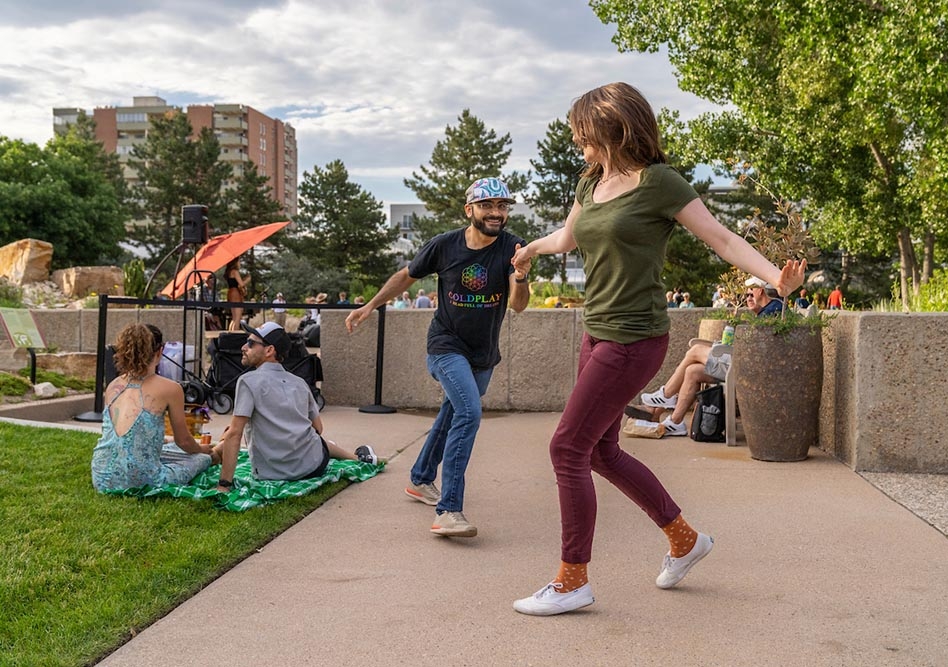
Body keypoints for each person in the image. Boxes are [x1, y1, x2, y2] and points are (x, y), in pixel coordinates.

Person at [509, 82, 805, 616]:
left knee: (566, 449)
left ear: (612, 127)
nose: (579, 143)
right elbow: (567, 239)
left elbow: (721, 238)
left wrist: (773, 278)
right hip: (596, 332)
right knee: (598, 451)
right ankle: (685, 540)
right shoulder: (590, 184)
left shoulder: (660, 183)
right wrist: (529, 248)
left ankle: (572, 580)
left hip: (634, 338)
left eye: (584, 134)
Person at [346, 176, 531, 538]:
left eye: (502, 206)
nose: (496, 213)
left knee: (451, 413)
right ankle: (448, 510)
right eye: (488, 206)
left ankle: (419, 479)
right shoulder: (444, 245)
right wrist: (369, 306)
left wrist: (521, 276)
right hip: (445, 346)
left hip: (483, 353)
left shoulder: (513, 246)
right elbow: (406, 276)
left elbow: (518, 306)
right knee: (468, 412)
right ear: (470, 210)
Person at [214, 321, 377, 492]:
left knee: (311, 440)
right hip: (312, 467)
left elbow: (235, 434)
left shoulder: (248, 382)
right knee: (316, 440)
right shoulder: (300, 383)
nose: (243, 347)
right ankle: (358, 458)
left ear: (269, 350)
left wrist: (224, 484)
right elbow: (318, 429)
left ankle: (356, 457)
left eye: (250, 343)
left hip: (270, 472)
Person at [637, 280, 785, 435]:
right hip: (743, 363)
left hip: (746, 368)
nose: (747, 297)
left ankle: (666, 394)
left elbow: (761, 350)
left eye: (750, 293)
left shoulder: (772, 311)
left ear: (760, 290)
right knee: (692, 371)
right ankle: (675, 422)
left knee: (695, 350)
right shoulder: (766, 311)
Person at [92, 323, 219, 492]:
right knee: (200, 459)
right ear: (160, 352)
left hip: (102, 476)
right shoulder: (170, 388)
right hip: (141, 481)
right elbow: (184, 441)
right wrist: (201, 450)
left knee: (167, 447)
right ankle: (217, 454)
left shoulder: (113, 385)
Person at [225, 257, 248, 331]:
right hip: (235, 293)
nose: (240, 263)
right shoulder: (234, 271)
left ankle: (231, 333)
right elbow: (241, 284)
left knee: (234, 317)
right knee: (238, 316)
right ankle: (235, 334)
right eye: (239, 261)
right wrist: (247, 280)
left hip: (231, 292)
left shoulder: (229, 271)